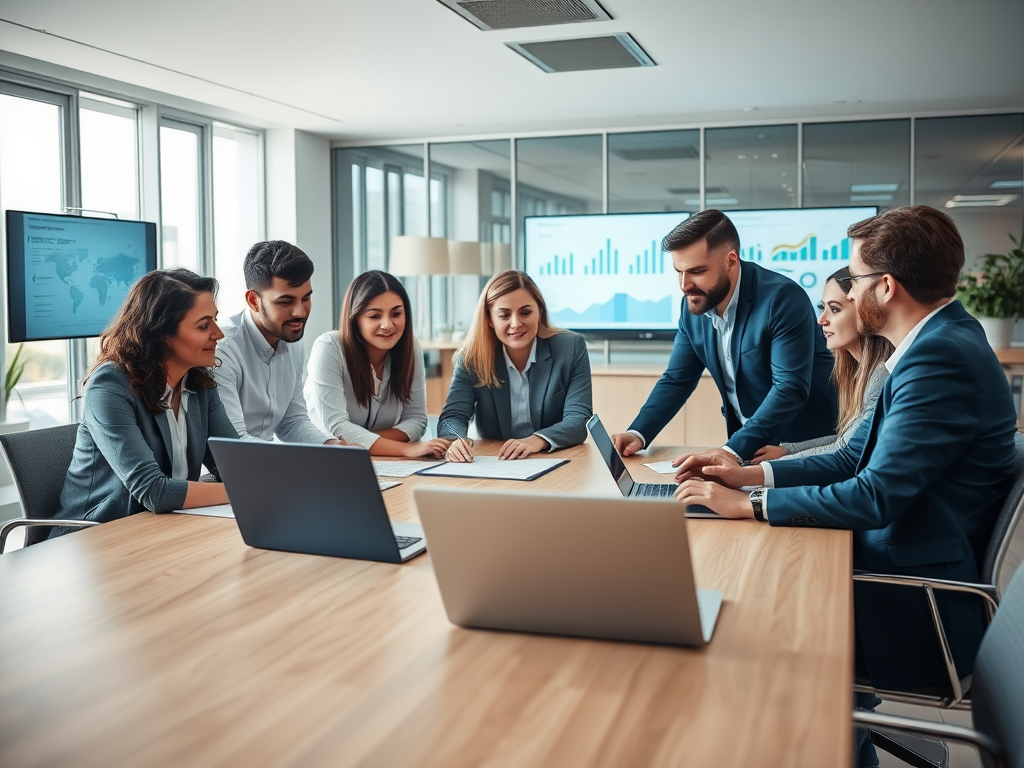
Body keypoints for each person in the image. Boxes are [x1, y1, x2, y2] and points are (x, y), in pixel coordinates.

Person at [672, 206, 1018, 767]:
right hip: (899, 566)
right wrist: (751, 473)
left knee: (746, 617)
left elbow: (874, 494)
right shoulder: (935, 343)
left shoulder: (939, 358)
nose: (849, 297)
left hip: (912, 601)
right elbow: (856, 453)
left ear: (886, 285)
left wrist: (749, 505)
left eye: (853, 281)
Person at [610, 209, 838, 468]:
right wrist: (638, 433)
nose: (684, 285)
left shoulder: (782, 299)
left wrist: (731, 450)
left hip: (800, 447)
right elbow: (676, 380)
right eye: (679, 271)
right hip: (746, 448)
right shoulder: (694, 303)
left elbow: (789, 388)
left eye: (697, 271)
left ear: (731, 261)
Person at [51, 269, 239, 537]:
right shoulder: (110, 385)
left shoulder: (198, 383)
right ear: (163, 333)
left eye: (215, 321)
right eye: (203, 325)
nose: (218, 334)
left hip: (163, 528)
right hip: (96, 537)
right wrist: (240, 490)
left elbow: (238, 465)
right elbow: (154, 491)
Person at [438, 270, 593, 462]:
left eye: (525, 312)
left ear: (540, 312)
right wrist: (456, 440)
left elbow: (578, 421)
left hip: (552, 458)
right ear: (489, 320)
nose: (516, 324)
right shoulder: (472, 359)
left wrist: (535, 440)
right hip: (496, 460)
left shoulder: (570, 348)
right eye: (504, 315)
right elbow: (451, 417)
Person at [751, 267, 894, 463]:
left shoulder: (882, 374)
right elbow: (847, 438)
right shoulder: (858, 373)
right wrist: (788, 451)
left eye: (834, 309)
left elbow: (845, 449)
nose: (821, 320)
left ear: (865, 311)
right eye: (822, 307)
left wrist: (760, 471)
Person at [304, 270, 449, 458]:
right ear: (355, 318)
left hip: (378, 460)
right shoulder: (329, 347)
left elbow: (416, 420)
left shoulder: (410, 347)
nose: (388, 324)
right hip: (322, 460)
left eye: (396, 314)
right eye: (375, 316)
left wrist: (365, 441)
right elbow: (337, 428)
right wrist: (406, 449)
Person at [214, 240, 338, 445]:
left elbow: (292, 422)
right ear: (254, 301)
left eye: (306, 298)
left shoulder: (292, 339)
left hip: (267, 464)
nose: (300, 312)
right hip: (226, 472)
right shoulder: (223, 350)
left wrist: (332, 447)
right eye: (285, 301)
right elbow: (235, 442)